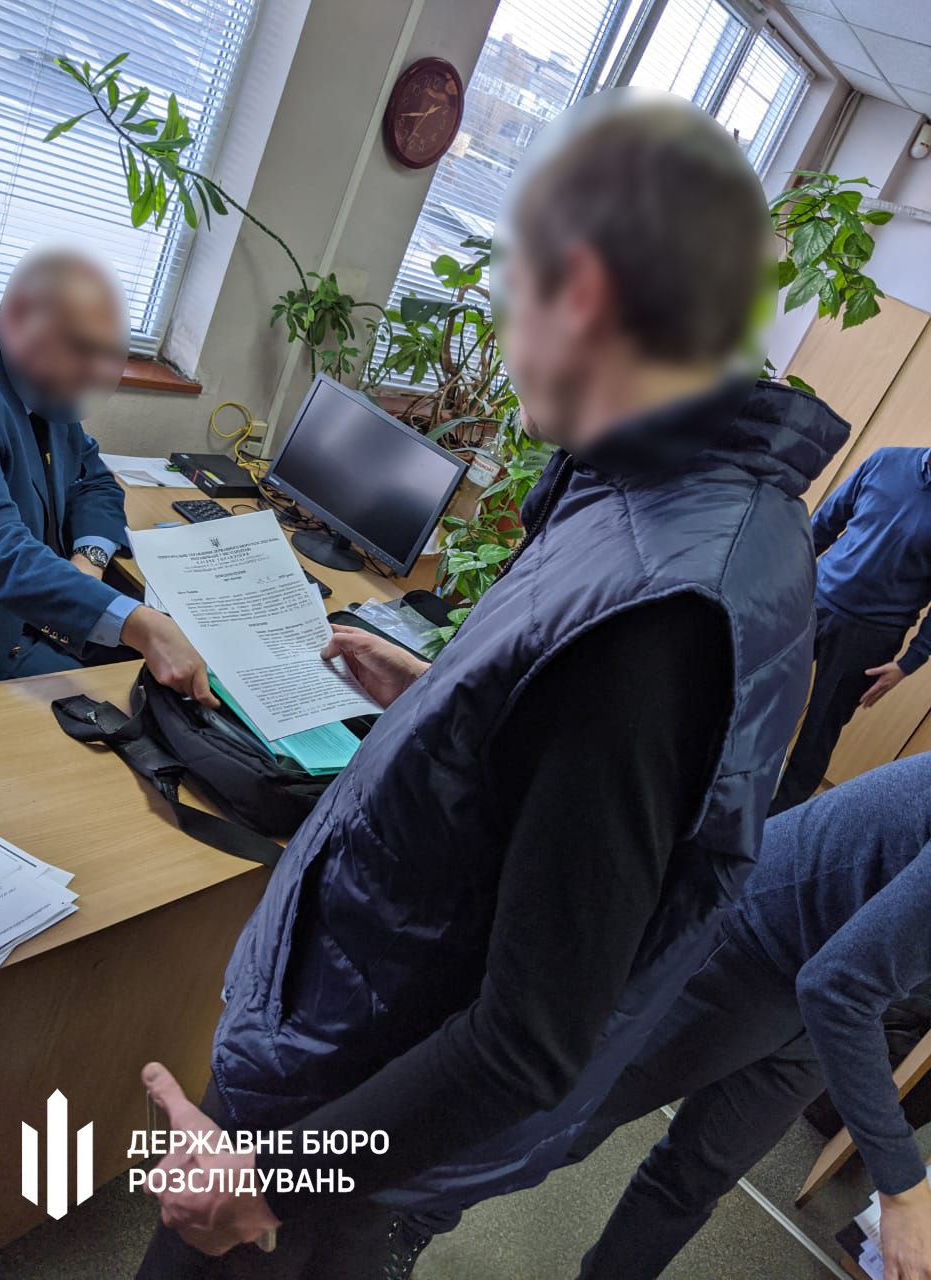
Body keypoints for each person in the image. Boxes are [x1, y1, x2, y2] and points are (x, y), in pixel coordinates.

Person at [135, 95, 848, 1279]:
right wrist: (443, 696)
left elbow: (528, 1037)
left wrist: (272, 1177)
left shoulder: (662, 619)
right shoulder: (681, 495)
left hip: (342, 1132)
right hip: (357, 1039)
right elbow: (579, 769)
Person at [568, 753, 931, 1280]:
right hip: (757, 939)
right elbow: (836, 990)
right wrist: (903, 1190)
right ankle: (430, 1196)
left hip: (837, 995)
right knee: (568, 1116)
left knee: (694, 1179)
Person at [0, 246, 216, 702]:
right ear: (20, 313)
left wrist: (89, 559)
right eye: (82, 348)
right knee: (142, 712)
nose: (92, 372)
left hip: (46, 614)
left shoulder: (40, 379)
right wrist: (141, 626)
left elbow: (95, 480)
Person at [770, 446, 931, 813]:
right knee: (758, 702)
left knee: (817, 735)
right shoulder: (885, 460)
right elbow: (826, 522)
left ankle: (776, 828)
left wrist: (908, 664)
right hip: (811, 601)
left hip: (871, 637)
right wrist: (783, 573)